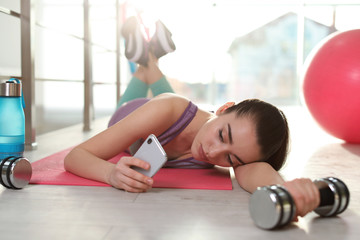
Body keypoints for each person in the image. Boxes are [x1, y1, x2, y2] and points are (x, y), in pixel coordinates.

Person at [64, 17, 320, 219]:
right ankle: (148, 58)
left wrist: (283, 189)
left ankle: (149, 56)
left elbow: (256, 171)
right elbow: (75, 157)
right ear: (223, 107)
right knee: (165, 100)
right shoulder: (163, 110)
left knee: (151, 79)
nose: (212, 152)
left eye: (230, 158)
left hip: (175, 113)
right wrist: (110, 174)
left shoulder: (239, 146)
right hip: (133, 111)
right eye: (222, 134)